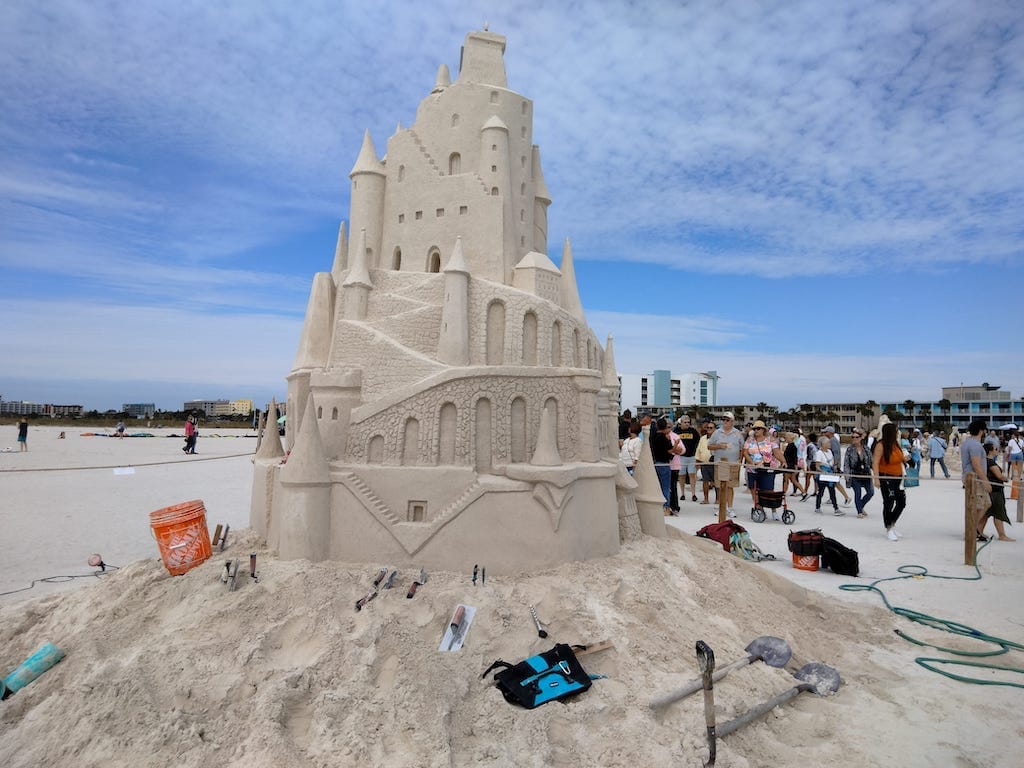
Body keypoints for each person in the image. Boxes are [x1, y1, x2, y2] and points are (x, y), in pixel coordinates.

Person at [741, 420, 785, 517]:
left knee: (768, 489)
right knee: (754, 489)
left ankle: (774, 510)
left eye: (758, 428)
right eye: (754, 429)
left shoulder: (770, 441)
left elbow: (777, 452)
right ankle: (759, 509)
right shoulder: (749, 440)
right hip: (752, 469)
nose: (756, 430)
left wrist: (783, 461)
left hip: (767, 468)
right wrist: (751, 462)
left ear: (763, 430)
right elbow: (745, 453)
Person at [873, 422, 907, 541]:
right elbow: (875, 462)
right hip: (886, 477)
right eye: (896, 430)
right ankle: (888, 528)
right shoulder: (881, 445)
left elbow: (900, 458)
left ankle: (892, 524)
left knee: (901, 502)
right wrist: (876, 479)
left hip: (898, 477)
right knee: (889, 502)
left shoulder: (895, 444)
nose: (898, 432)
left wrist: (905, 458)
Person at [708, 412, 744, 518]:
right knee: (720, 486)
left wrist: (740, 461)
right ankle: (721, 507)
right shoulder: (717, 432)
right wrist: (719, 446)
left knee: (730, 486)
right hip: (720, 462)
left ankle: (730, 507)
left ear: (732, 421)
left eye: (727, 420)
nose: (725, 422)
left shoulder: (738, 433)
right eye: (723, 419)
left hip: (733, 463)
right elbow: (709, 446)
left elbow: (743, 448)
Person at [978, 442, 1015, 542]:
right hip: (995, 491)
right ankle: (1002, 535)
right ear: (990, 451)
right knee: (998, 513)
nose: (997, 450)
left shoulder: (984, 461)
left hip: (991, 490)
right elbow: (998, 475)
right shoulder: (990, 462)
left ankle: (978, 531)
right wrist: (1006, 478)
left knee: (986, 513)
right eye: (995, 449)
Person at [843, 428, 875, 518]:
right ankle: (859, 511)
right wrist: (847, 475)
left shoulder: (866, 448)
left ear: (861, 438)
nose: (854, 439)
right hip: (854, 474)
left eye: (856, 437)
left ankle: (860, 506)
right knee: (858, 492)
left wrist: (876, 471)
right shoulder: (850, 449)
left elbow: (871, 461)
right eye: (853, 437)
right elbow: (846, 463)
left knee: (870, 493)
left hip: (866, 473)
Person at [650, 418, 675, 516]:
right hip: (664, 464)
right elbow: (670, 450)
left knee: (657, 486)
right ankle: (666, 507)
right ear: (665, 427)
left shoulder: (652, 437)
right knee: (666, 487)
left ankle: (657, 506)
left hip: (655, 463)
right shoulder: (664, 438)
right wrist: (673, 443)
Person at [813, 436, 842, 515]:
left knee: (832, 491)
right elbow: (817, 466)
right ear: (823, 444)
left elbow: (832, 463)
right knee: (821, 491)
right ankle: (817, 507)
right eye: (828, 442)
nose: (830, 444)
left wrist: (835, 468)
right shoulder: (819, 453)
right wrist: (822, 471)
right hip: (823, 475)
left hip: (830, 474)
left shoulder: (829, 451)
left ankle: (836, 508)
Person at [822, 426, 851, 506]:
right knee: (832, 482)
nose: (824, 433)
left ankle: (847, 498)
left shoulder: (833, 441)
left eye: (826, 432)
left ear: (830, 433)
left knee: (835, 482)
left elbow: (836, 454)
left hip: (834, 465)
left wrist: (835, 465)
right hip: (832, 464)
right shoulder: (831, 440)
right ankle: (832, 497)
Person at [674, 416, 701, 503]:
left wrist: (697, 454)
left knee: (692, 475)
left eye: (688, 422)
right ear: (681, 422)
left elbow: (698, 442)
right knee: (681, 476)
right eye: (685, 422)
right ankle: (682, 493)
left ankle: (693, 494)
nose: (687, 424)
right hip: (681, 457)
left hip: (691, 456)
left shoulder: (693, 431)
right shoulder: (676, 431)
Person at [696, 420, 716, 505]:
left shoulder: (717, 438)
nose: (709, 429)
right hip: (704, 463)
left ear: (715, 429)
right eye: (707, 427)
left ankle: (718, 499)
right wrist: (698, 460)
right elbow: (698, 449)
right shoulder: (702, 438)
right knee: (705, 481)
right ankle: (706, 499)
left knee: (716, 482)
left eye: (711, 428)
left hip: (715, 463)